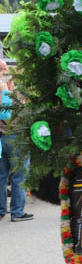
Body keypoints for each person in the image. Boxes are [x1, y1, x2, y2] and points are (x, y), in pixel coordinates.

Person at [0, 59, 34, 221]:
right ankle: (17, 212)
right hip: (16, 138)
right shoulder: (15, 96)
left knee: (1, 176)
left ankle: (1, 210)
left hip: (1, 139)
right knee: (19, 176)